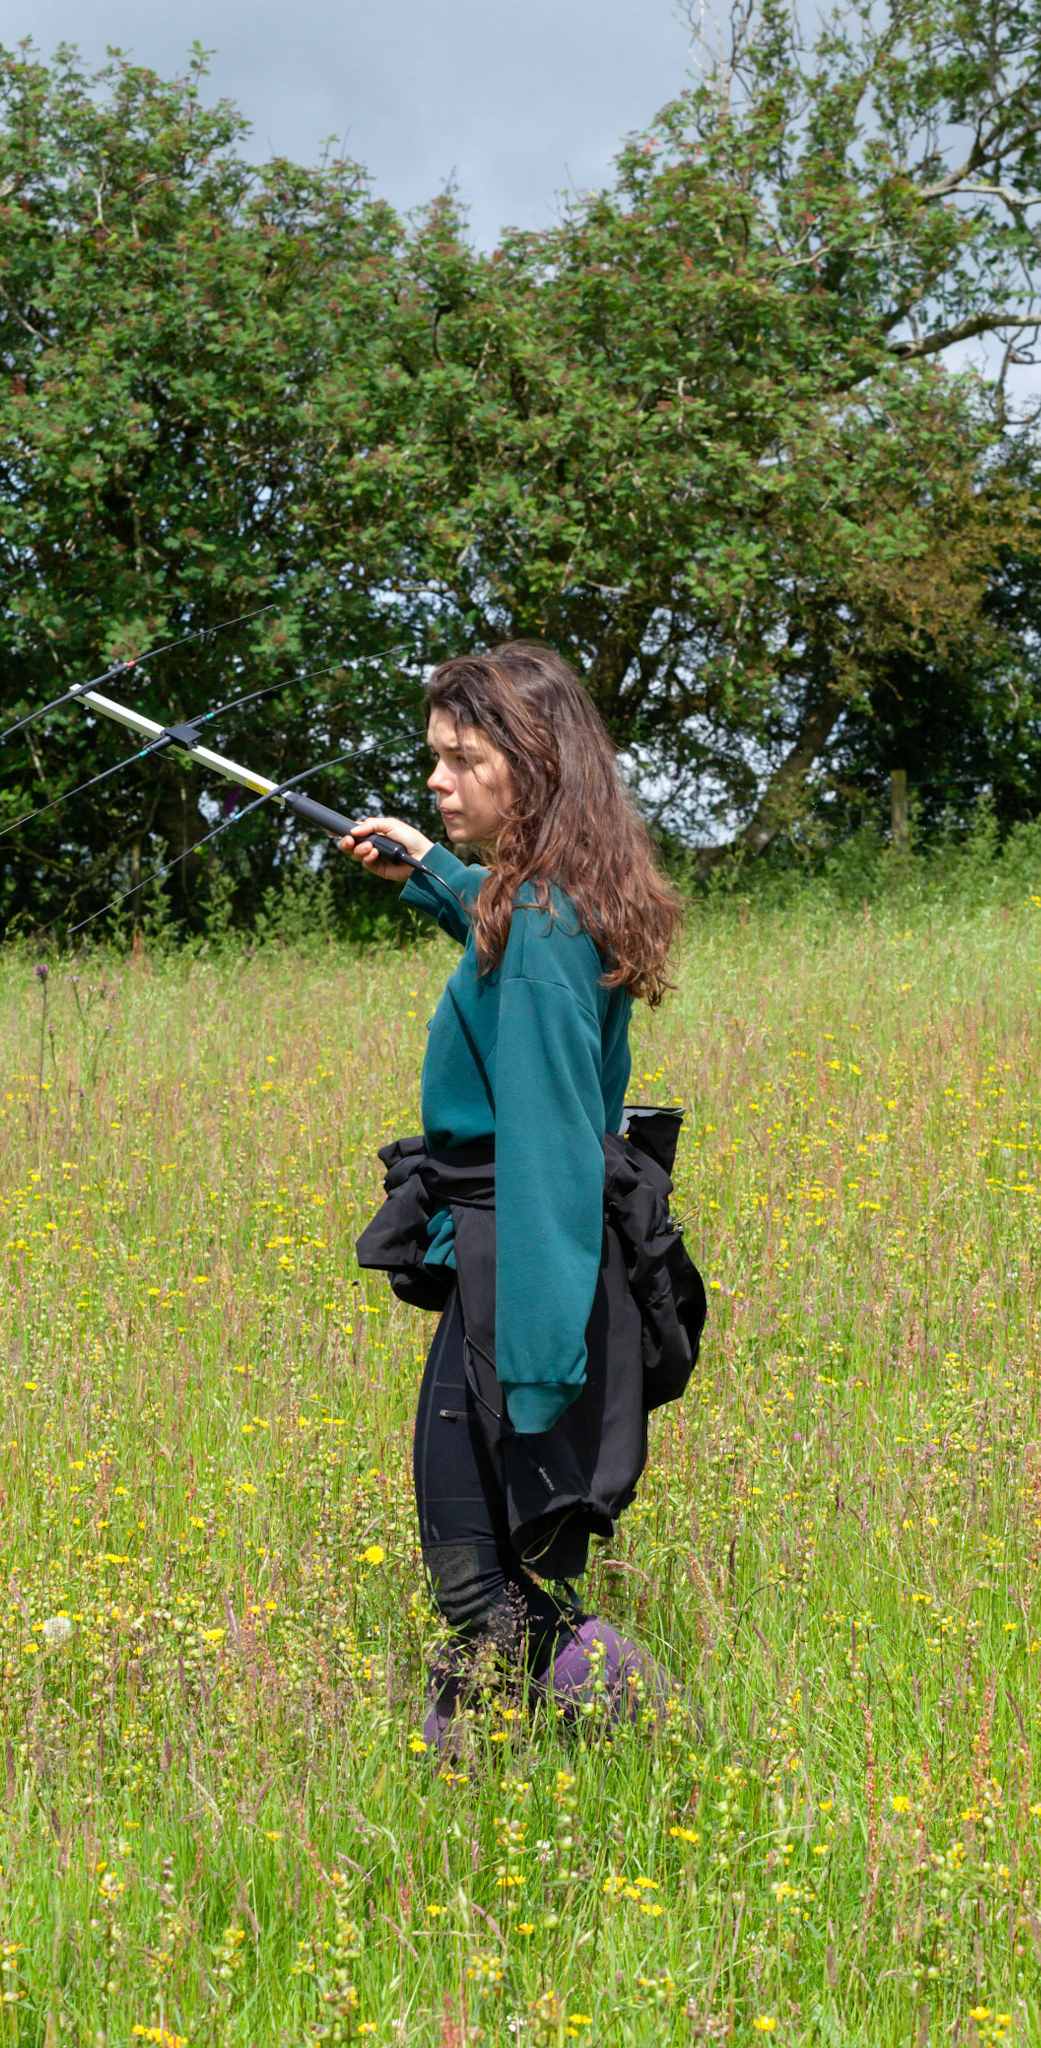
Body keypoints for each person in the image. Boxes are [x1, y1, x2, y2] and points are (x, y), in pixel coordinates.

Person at [341, 642, 686, 1749]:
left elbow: (548, 1151)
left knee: (474, 1572)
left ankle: (646, 1724)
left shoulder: (539, 931)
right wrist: (430, 872)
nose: (435, 780)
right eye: (434, 758)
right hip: (512, 1259)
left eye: (459, 758)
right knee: (475, 1567)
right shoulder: (549, 903)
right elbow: (507, 947)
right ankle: (477, 1788)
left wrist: (537, 1368)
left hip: (518, 1269)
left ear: (527, 768)